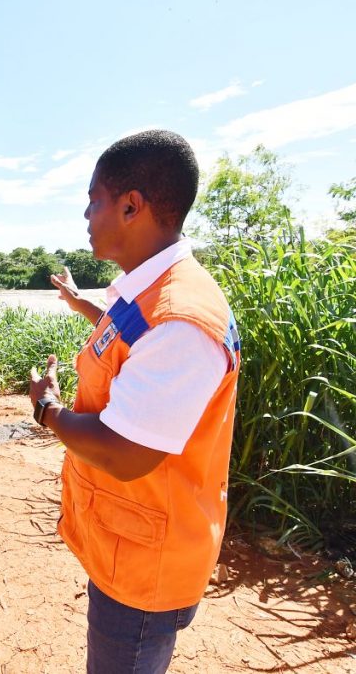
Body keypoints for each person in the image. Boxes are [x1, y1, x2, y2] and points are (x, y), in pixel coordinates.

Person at [28, 130, 241, 673]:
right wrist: (82, 305)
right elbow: (125, 337)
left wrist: (48, 410)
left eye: (93, 199)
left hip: (147, 563)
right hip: (127, 542)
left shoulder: (181, 318)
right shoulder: (146, 294)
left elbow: (126, 452)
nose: (86, 213)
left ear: (131, 206)